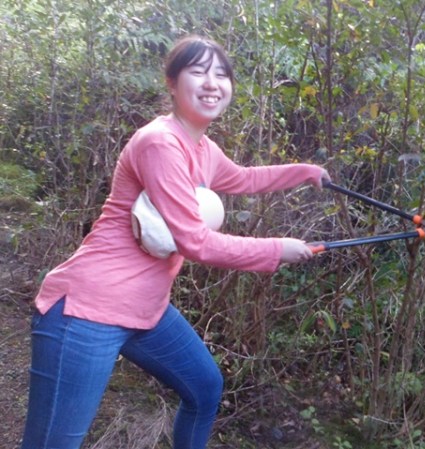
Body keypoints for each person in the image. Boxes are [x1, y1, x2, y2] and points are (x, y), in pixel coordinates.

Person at [20, 35, 330, 449]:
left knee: (204, 389)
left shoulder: (202, 148)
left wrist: (304, 172)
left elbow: (243, 178)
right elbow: (196, 243)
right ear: (171, 82)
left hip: (145, 309)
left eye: (221, 74)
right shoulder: (159, 143)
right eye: (198, 72)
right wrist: (276, 250)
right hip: (87, 312)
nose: (212, 83)